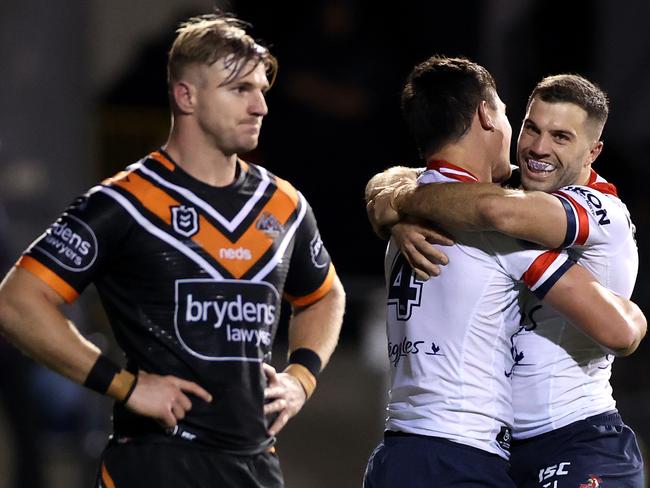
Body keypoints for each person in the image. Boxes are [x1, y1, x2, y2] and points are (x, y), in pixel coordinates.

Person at [0, 11, 345, 488]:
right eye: (240, 90)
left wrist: (301, 379)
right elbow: (17, 301)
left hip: (255, 466)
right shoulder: (125, 202)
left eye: (261, 89)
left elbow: (325, 295)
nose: (260, 106)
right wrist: (124, 386)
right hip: (155, 463)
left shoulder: (284, 206)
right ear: (186, 96)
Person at [361, 56, 645, 488]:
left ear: (593, 152)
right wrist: (389, 201)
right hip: (496, 449)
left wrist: (398, 204)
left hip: (576, 437)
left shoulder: (596, 209)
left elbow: (493, 209)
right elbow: (412, 181)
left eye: (561, 137)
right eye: (531, 127)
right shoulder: (491, 202)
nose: (537, 147)